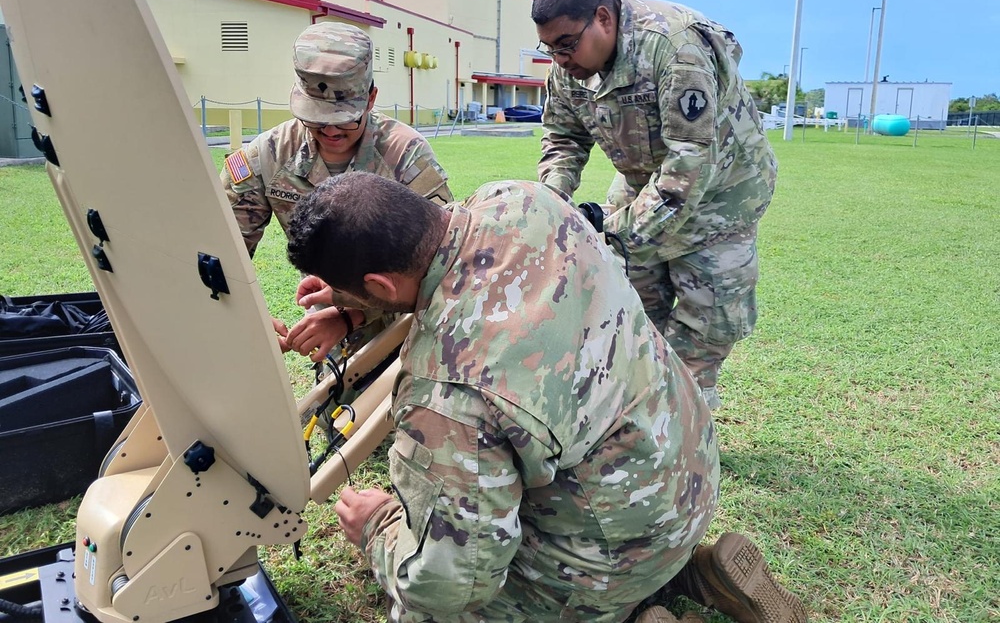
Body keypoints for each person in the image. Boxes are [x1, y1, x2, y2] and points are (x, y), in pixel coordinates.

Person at [285, 172, 805, 623]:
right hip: (688, 477)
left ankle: (621, 601)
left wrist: (377, 529)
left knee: (426, 607)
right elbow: (448, 266)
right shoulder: (523, 200)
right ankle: (688, 574)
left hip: (613, 549)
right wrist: (352, 302)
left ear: (379, 281)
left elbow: (453, 581)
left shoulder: (448, 391)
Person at [532, 0, 777, 411]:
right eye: (549, 48)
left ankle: (685, 421)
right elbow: (563, 137)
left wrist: (611, 227)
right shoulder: (568, 66)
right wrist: (554, 200)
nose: (559, 59)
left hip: (722, 191)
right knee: (629, 305)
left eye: (566, 45)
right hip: (643, 181)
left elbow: (688, 164)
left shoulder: (674, 48)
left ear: (603, 19)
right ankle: (636, 404)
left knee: (708, 321)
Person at [220, 21, 453, 359]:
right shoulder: (268, 156)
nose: (329, 129)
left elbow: (441, 266)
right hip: (326, 322)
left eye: (345, 117)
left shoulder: (405, 156)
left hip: (406, 328)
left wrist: (349, 315)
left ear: (371, 99)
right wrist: (244, 316)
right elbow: (221, 248)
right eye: (315, 116)